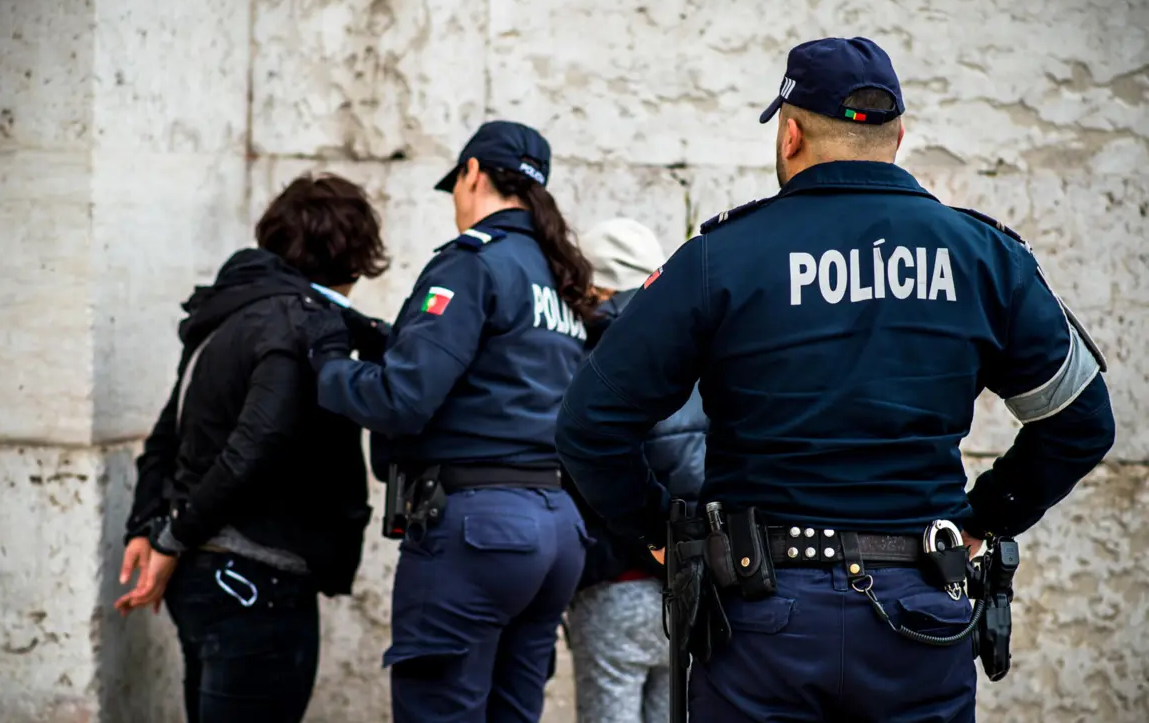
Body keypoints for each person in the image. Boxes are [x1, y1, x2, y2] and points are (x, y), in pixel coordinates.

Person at [555, 36, 1116, 722]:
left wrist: (659, 533)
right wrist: (985, 517)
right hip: (920, 613)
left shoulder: (719, 259)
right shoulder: (986, 257)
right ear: (898, 137)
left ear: (790, 134)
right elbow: (1081, 421)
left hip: (762, 618)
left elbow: (588, 423)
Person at [299, 120, 592, 723]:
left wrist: (328, 364)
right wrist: (391, 341)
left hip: (480, 532)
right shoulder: (558, 274)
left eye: (456, 184)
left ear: (472, 173)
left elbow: (402, 399)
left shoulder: (473, 263)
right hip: (556, 528)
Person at [115, 172, 387, 723]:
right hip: (255, 585)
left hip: (204, 582)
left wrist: (145, 527)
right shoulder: (297, 322)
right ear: (354, 260)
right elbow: (257, 442)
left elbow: (164, 437)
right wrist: (168, 539)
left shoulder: (226, 314)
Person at [564, 218, 707, 723]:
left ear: (595, 286)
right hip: (692, 589)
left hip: (616, 583)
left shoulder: (594, 353)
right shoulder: (697, 347)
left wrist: (651, 535)